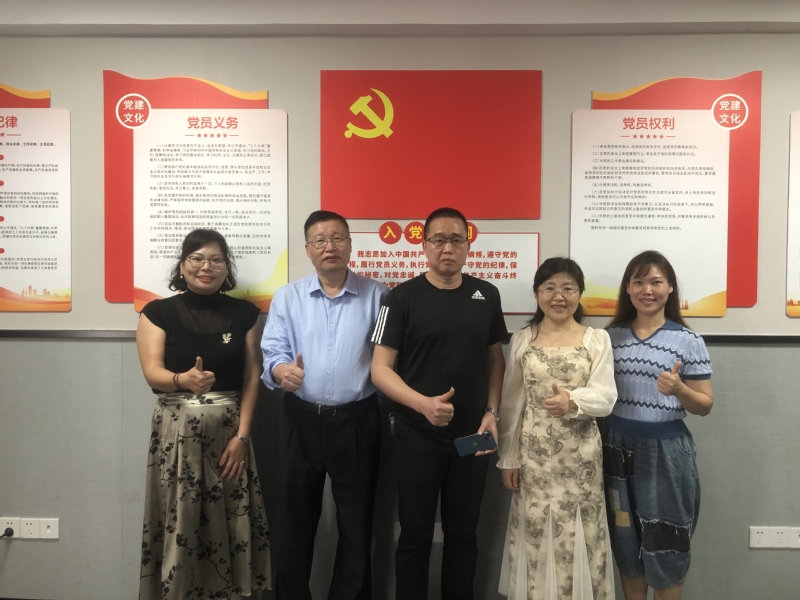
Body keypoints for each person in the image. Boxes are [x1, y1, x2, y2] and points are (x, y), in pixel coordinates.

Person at [370, 207, 507, 600]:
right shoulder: (400, 297)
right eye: (439, 240)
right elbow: (380, 369)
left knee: (463, 535)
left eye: (456, 240)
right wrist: (422, 405)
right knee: (414, 535)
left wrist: (492, 412)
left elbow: (495, 360)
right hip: (417, 435)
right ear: (424, 245)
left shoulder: (486, 294)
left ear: (468, 244)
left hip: (473, 436)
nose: (448, 248)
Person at [135, 229, 271, 600]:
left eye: (215, 259)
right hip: (177, 432)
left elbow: (252, 376)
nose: (205, 267)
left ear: (226, 268)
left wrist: (242, 437)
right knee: (182, 515)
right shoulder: (157, 312)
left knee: (230, 517)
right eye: (197, 258)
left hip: (229, 433)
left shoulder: (244, 313)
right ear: (183, 265)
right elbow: (152, 371)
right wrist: (182, 380)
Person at [260, 210, 387, 600]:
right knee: (294, 521)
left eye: (337, 238)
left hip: (358, 420)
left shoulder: (379, 296)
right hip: (300, 419)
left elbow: (389, 358)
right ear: (308, 249)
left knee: (356, 523)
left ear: (349, 243)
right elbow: (273, 352)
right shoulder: (288, 297)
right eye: (320, 240)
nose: (329, 246)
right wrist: (282, 371)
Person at [496, 257, 617, 600]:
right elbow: (511, 404)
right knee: (536, 528)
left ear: (580, 293)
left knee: (580, 531)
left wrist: (573, 401)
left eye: (568, 288)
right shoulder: (523, 339)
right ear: (537, 294)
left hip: (580, 457)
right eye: (549, 288)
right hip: (532, 456)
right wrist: (509, 458)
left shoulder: (596, 340)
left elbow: (607, 396)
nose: (558, 296)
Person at [604, 250, 714, 600]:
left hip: (668, 454)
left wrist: (680, 389)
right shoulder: (608, 337)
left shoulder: (688, 341)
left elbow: (705, 406)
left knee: (668, 542)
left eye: (655, 282)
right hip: (615, 449)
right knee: (625, 541)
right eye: (638, 282)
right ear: (628, 288)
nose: (647, 290)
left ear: (670, 288)